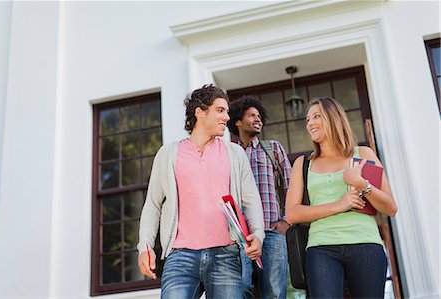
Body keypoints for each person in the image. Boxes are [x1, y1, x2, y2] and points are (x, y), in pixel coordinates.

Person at [137, 84, 265, 299]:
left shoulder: (234, 153)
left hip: (226, 255)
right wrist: (144, 247)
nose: (227, 116)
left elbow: (250, 200)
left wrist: (258, 234)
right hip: (180, 257)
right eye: (220, 110)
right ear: (199, 112)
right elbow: (153, 204)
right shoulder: (168, 154)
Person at [286, 97, 398, 298]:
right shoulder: (303, 164)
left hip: (365, 244)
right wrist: (340, 204)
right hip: (321, 248)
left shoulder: (363, 154)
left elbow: (390, 207)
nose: (310, 123)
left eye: (317, 116)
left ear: (334, 118)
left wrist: (361, 184)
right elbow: (292, 214)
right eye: (308, 119)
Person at [228, 95, 292, 299]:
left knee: (274, 292)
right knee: (243, 287)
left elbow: (291, 186)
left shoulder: (272, 148)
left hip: (272, 231)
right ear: (238, 121)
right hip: (241, 237)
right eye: (251, 115)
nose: (257, 119)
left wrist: (286, 221)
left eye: (259, 116)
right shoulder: (230, 154)